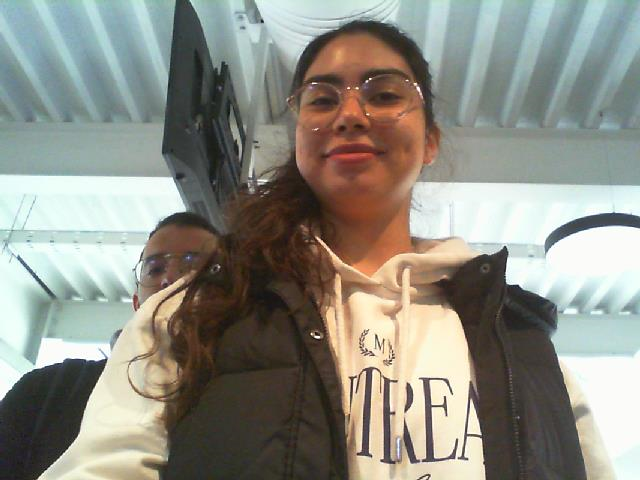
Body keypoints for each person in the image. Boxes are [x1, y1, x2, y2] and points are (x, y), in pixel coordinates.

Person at [38, 20, 614, 480]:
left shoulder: (520, 341)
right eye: (321, 100)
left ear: (430, 141)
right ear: (298, 137)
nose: (350, 115)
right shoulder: (195, 310)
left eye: (384, 94)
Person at [0, 211, 219, 480]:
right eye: (155, 269)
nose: (170, 278)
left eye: (194, 266)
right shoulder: (48, 390)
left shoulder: (247, 392)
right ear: (137, 303)